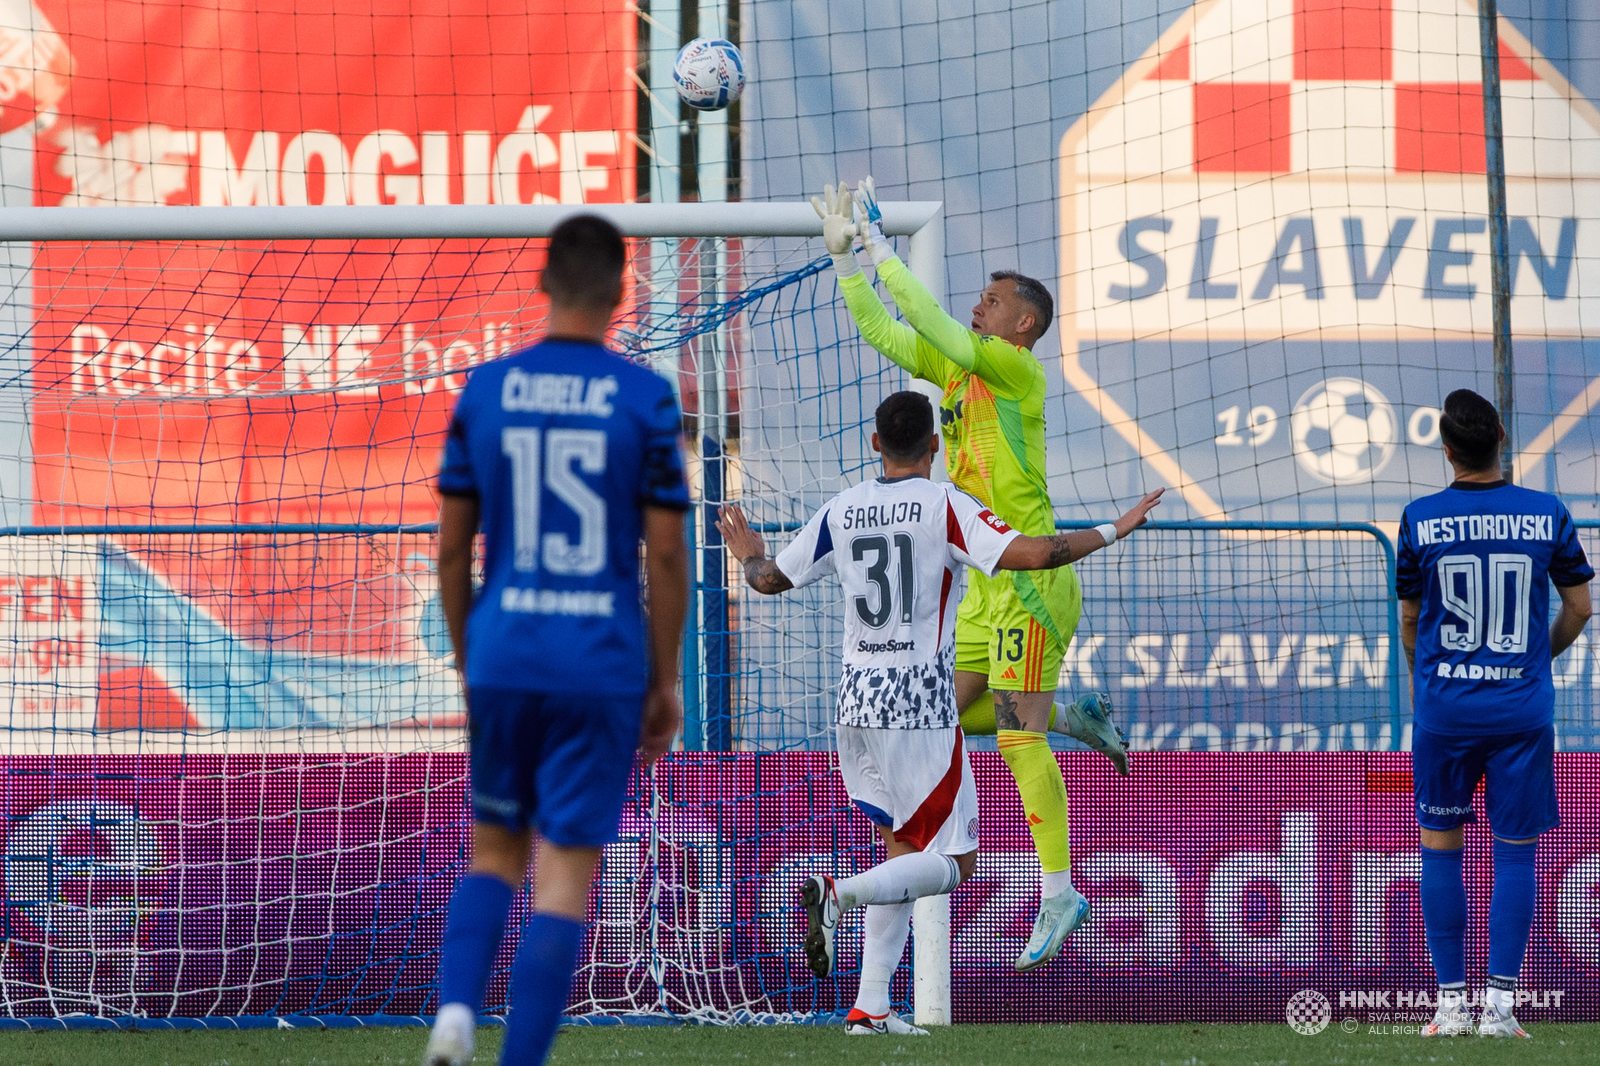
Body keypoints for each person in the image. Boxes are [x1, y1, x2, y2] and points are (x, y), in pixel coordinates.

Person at [716, 390, 1162, 1033]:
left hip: (854, 702)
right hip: (919, 703)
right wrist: (1116, 527)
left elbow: (766, 581)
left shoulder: (843, 510)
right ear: (934, 445)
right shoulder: (947, 504)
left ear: (874, 444)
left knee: (900, 847)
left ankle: (870, 1008)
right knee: (955, 864)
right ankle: (838, 896)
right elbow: (1035, 555)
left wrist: (750, 551)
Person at [812, 178, 1129, 971]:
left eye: (991, 299)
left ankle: (1061, 890)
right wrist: (848, 262)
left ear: (1023, 322)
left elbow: (934, 326)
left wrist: (881, 244)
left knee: (1015, 738)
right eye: (978, 298)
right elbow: (888, 332)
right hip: (986, 578)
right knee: (942, 715)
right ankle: (1069, 716)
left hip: (1030, 574)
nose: (977, 306)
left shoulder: (1017, 372)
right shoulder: (959, 376)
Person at [425, 215, 690, 1066]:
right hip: (598, 662)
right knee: (565, 876)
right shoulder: (646, 398)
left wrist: (474, 657)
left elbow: (450, 548)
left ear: (543, 282)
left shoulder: (486, 389)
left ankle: (455, 1016)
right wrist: (665, 680)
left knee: (493, 849)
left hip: (504, 650)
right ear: (622, 291)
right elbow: (667, 551)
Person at [1397, 389, 1592, 1040]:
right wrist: (1537, 657)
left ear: (1446, 450)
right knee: (1514, 860)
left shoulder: (1420, 519)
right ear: (1502, 437)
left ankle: (1451, 1008)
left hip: (1446, 713)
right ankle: (1501, 1011)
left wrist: (1427, 686)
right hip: (1521, 712)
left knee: (1441, 852)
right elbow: (1581, 608)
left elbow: (1409, 619)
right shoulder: (1547, 514)